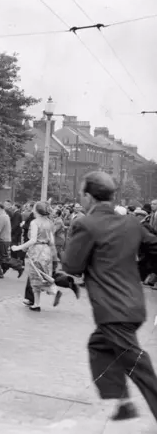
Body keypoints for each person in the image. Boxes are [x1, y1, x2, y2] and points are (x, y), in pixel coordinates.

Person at [64, 171, 157, 422]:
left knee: (139, 365)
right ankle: (123, 402)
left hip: (112, 310)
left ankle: (132, 403)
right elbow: (154, 246)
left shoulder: (87, 224)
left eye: (82, 194)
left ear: (88, 196)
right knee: (98, 346)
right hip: (133, 306)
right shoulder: (131, 224)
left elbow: (71, 266)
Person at [12, 202, 62, 312]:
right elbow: (52, 242)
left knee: (35, 276)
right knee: (42, 275)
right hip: (46, 251)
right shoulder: (50, 223)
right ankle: (37, 302)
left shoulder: (35, 223)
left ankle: (47, 295)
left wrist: (19, 247)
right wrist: (54, 257)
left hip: (36, 251)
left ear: (37, 211)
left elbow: (33, 240)